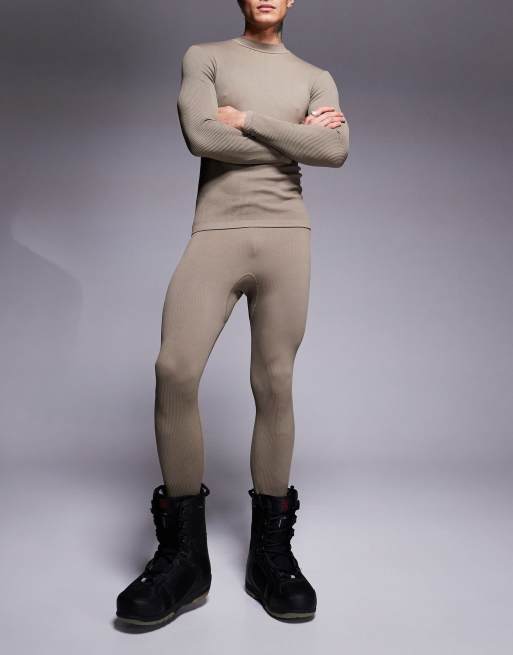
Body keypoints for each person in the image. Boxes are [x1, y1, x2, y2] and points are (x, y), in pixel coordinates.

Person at [116, 0, 349, 627]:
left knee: (274, 381)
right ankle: (184, 557)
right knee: (175, 369)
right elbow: (202, 137)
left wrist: (244, 119)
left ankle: (269, 556)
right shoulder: (206, 58)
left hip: (287, 237)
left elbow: (335, 151)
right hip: (216, 232)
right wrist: (295, 135)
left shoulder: (316, 76)